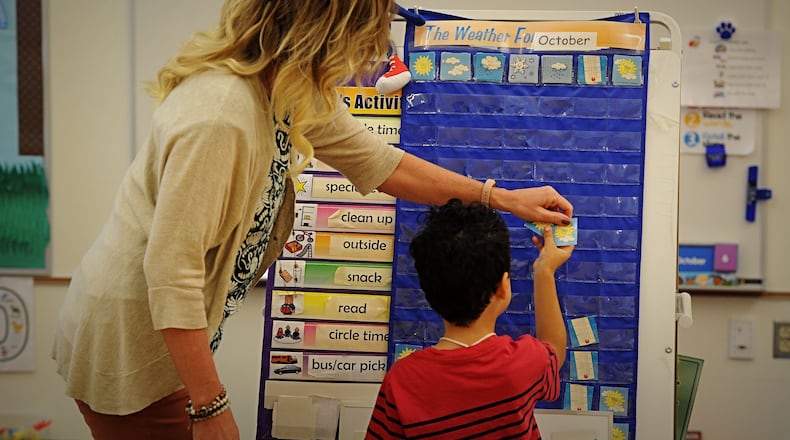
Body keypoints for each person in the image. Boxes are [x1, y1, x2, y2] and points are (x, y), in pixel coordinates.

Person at [51, 1, 574, 439]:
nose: (372, 52)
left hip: (167, 335)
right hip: (132, 342)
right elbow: (171, 271)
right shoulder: (221, 115)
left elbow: (381, 163)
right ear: (328, 30)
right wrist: (210, 406)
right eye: (367, 34)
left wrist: (500, 197)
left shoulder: (285, 88)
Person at [366, 199, 574, 439]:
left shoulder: (401, 380)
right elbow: (554, 349)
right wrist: (544, 271)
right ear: (502, 288)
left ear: (429, 291)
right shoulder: (522, 364)